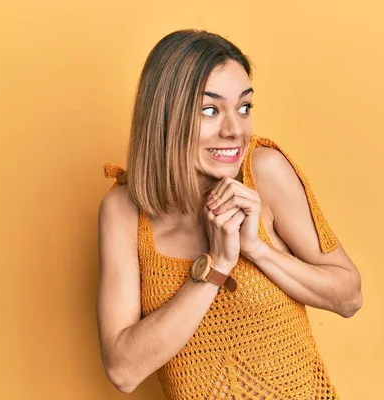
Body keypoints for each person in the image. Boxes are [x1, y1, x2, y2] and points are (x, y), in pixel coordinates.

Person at [97, 29, 362, 399]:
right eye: (209, 110)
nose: (235, 130)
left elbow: (349, 297)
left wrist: (256, 249)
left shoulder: (265, 172)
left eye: (244, 107)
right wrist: (217, 265)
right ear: (163, 117)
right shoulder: (124, 211)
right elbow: (123, 370)